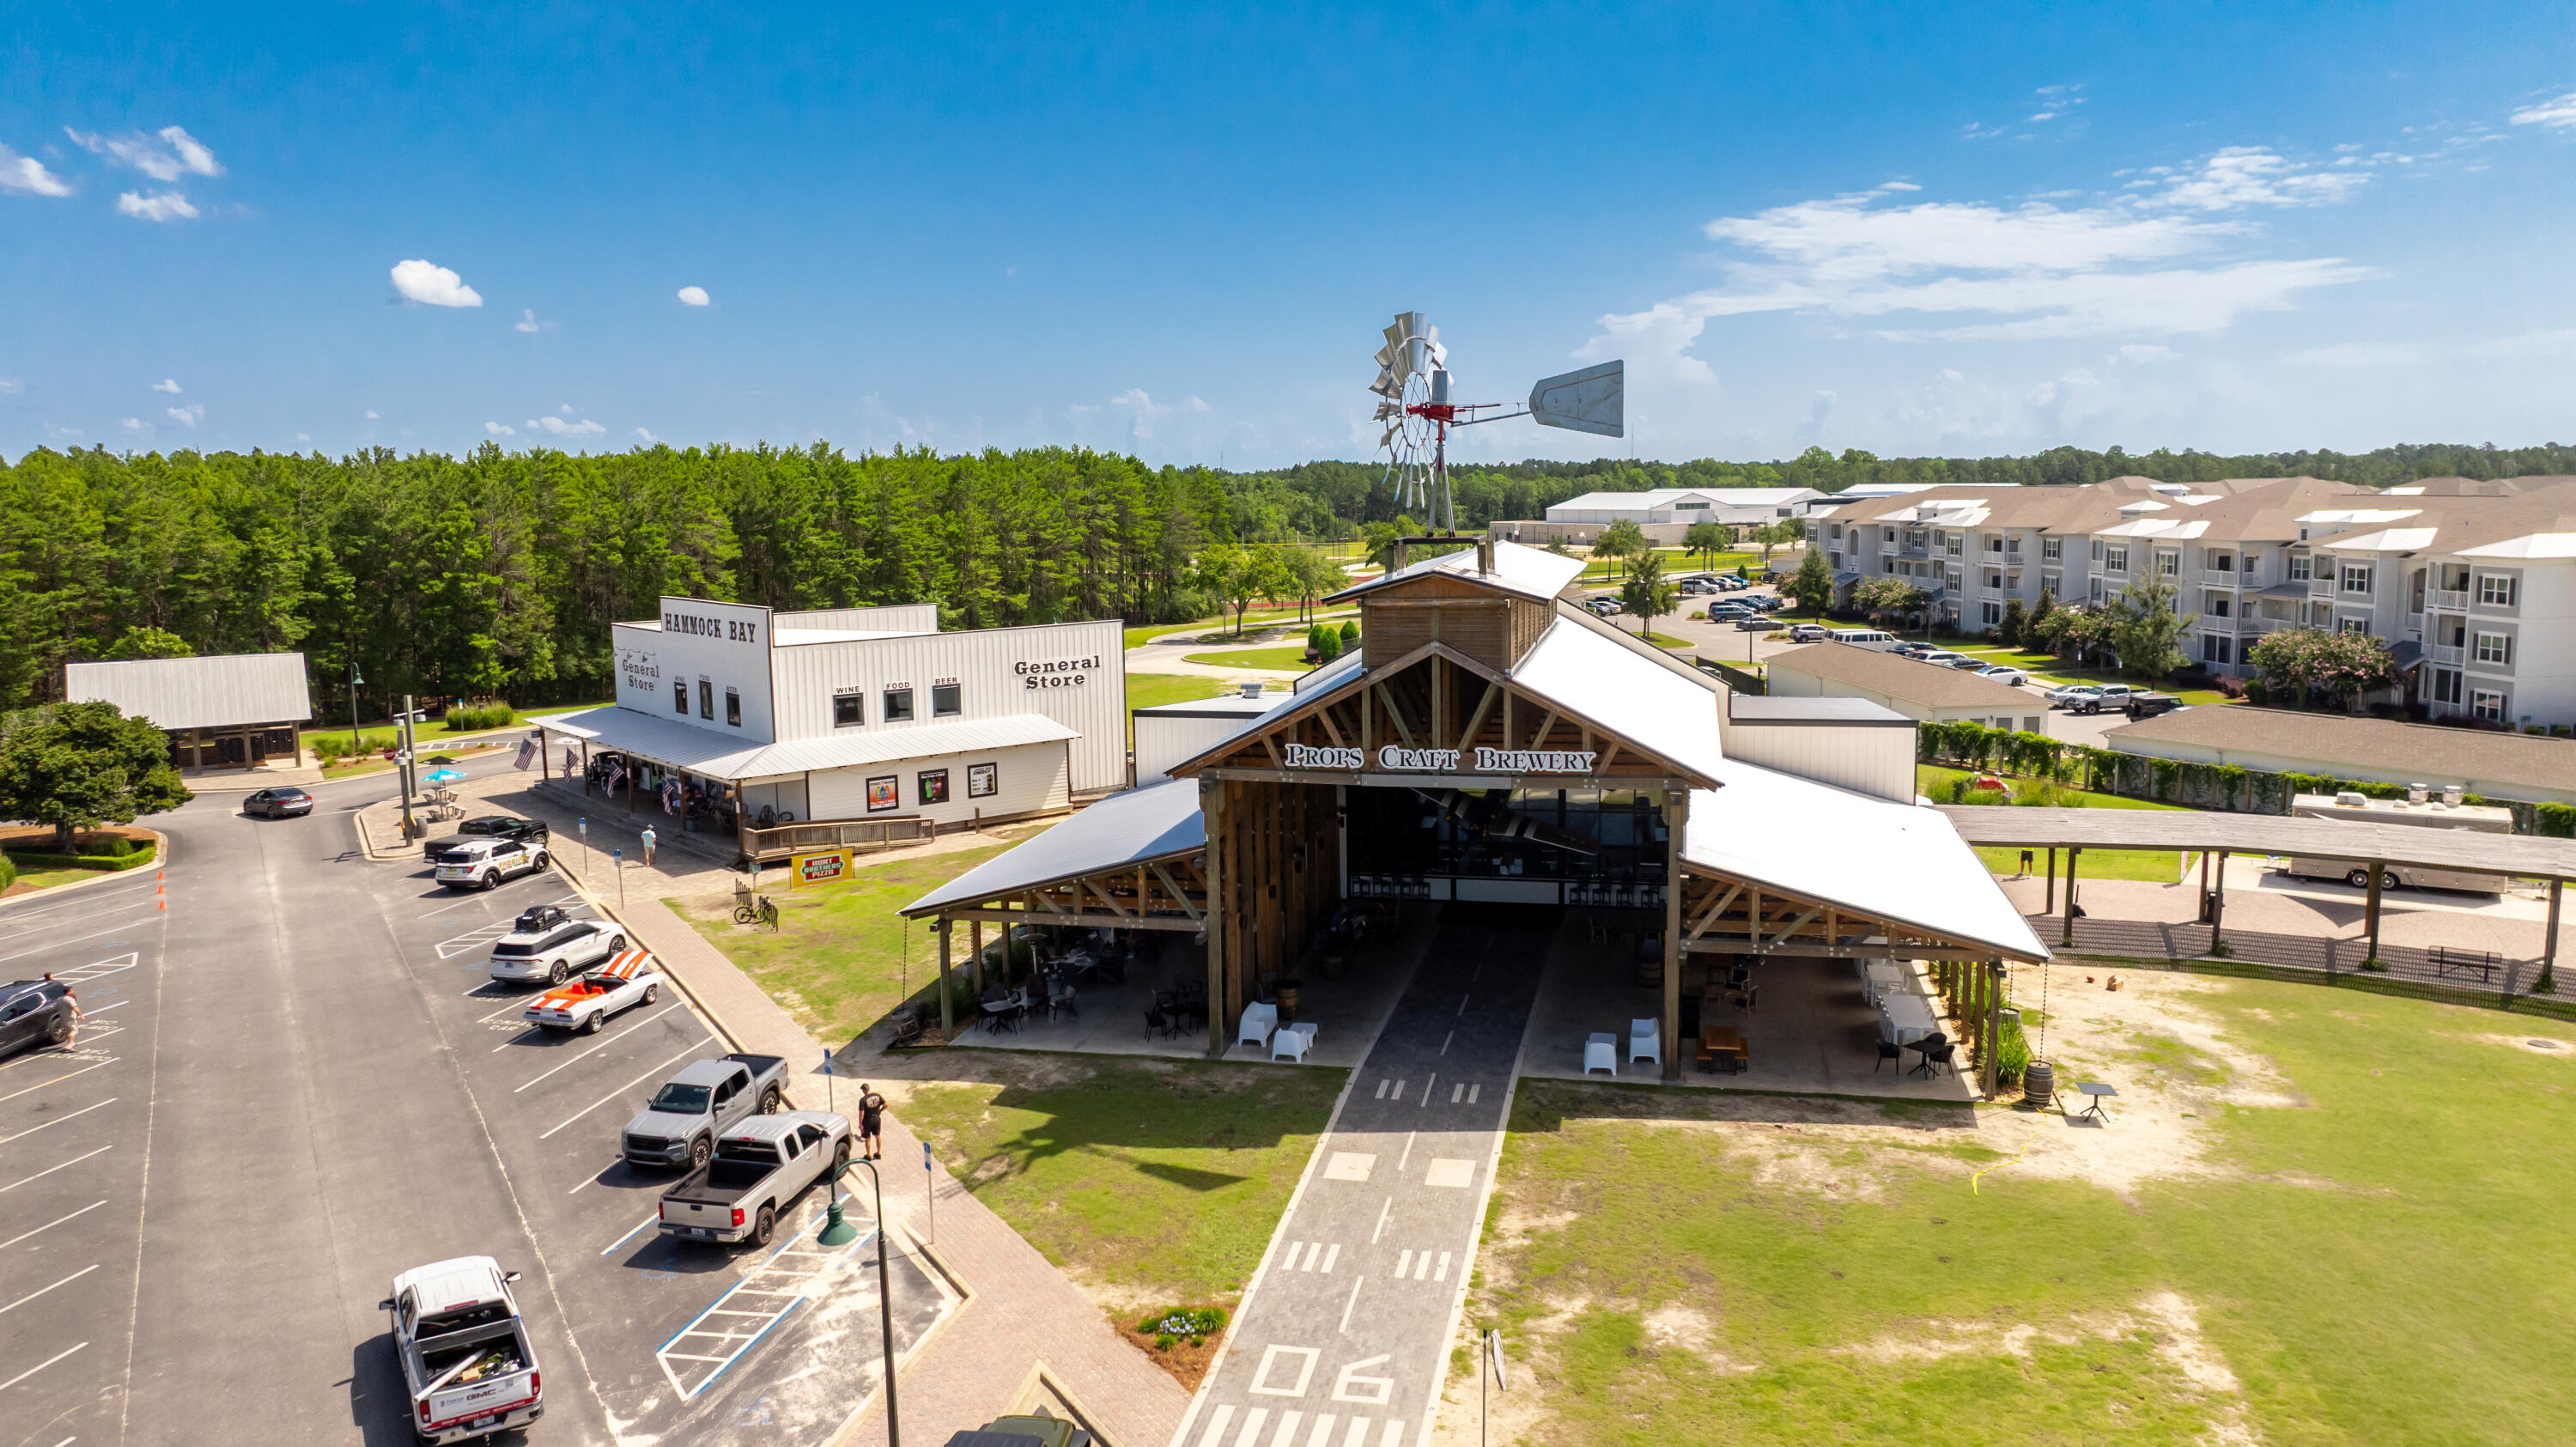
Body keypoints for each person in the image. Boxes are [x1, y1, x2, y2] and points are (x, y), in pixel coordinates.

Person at [40, 971, 84, 1049]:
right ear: (68, 992)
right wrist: (81, 1015)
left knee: (68, 1031)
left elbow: (58, 1007)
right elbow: (75, 1008)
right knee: (74, 1031)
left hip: (63, 1018)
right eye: (71, 990)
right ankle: (69, 1044)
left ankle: (71, 1042)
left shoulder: (59, 999)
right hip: (70, 1018)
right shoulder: (69, 999)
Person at [858, 1085, 886, 1160]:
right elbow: (886, 1104)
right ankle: (878, 1153)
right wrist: (880, 1110)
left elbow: (861, 1113)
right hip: (877, 1119)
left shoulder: (863, 1100)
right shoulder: (877, 1095)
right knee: (877, 1136)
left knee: (867, 1138)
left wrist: (860, 1124)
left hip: (867, 1121)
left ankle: (868, 1155)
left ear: (863, 1090)